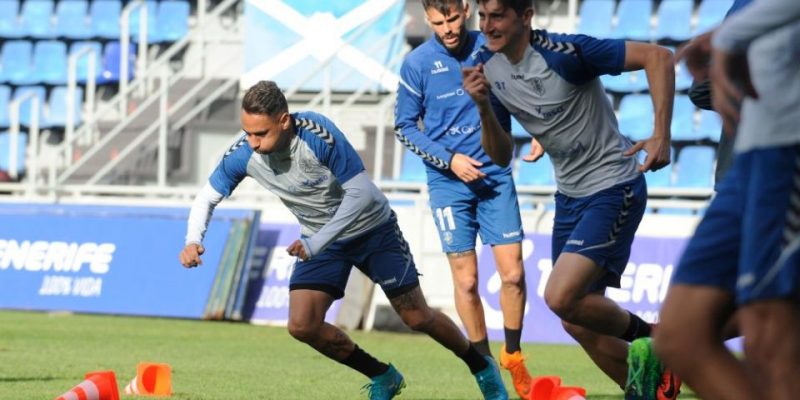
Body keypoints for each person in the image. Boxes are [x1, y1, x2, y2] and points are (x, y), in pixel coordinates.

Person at [179, 80, 509, 400]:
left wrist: (316, 242)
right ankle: (383, 375)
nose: (252, 142)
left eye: (260, 133)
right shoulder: (244, 153)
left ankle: (481, 367)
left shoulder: (317, 134)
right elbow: (207, 196)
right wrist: (193, 239)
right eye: (247, 132)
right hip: (321, 239)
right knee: (302, 325)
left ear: (284, 121)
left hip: (372, 229)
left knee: (417, 317)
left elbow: (361, 192)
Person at [461, 1, 679, 399]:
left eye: (497, 15)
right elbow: (499, 153)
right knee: (576, 321)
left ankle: (663, 342)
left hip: (614, 187)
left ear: (525, 16)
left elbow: (658, 57)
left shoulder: (566, 53)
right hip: (571, 196)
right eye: (483, 16)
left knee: (560, 297)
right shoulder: (485, 66)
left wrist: (661, 132)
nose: (487, 25)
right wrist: (481, 107)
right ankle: (643, 389)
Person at [654, 1, 800, 399]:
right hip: (748, 155)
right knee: (681, 334)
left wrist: (732, 36)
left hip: (789, 146)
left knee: (769, 339)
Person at [394, 0, 532, 396]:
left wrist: (539, 129)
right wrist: (449, 160)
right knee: (467, 282)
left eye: (452, 18)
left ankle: (514, 355)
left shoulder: (491, 47)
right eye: (438, 22)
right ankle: (487, 370)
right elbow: (404, 127)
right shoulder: (417, 64)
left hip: (495, 175)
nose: (447, 28)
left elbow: (522, 90)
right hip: (448, 182)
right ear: (427, 19)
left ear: (466, 10)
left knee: (513, 275)